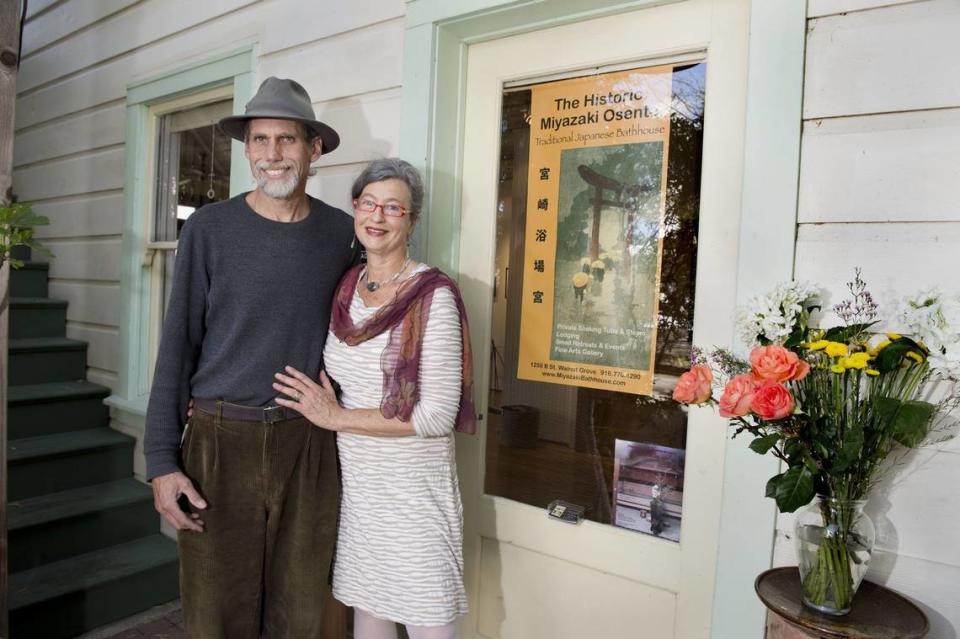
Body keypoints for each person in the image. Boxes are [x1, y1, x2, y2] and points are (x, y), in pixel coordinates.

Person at [143, 76, 357, 638]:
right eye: (259, 140)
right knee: (216, 614)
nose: (271, 155)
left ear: (313, 149)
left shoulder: (343, 234)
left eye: (286, 140)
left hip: (308, 444)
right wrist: (162, 463)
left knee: (303, 609)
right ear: (247, 150)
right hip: (220, 441)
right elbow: (177, 346)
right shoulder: (210, 229)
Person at [271, 158, 476, 639]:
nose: (378, 217)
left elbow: (435, 416)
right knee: (369, 616)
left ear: (412, 221)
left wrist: (336, 416)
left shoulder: (433, 295)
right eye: (368, 203)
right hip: (360, 489)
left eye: (393, 208)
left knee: (428, 619)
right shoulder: (345, 287)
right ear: (354, 209)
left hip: (414, 493)